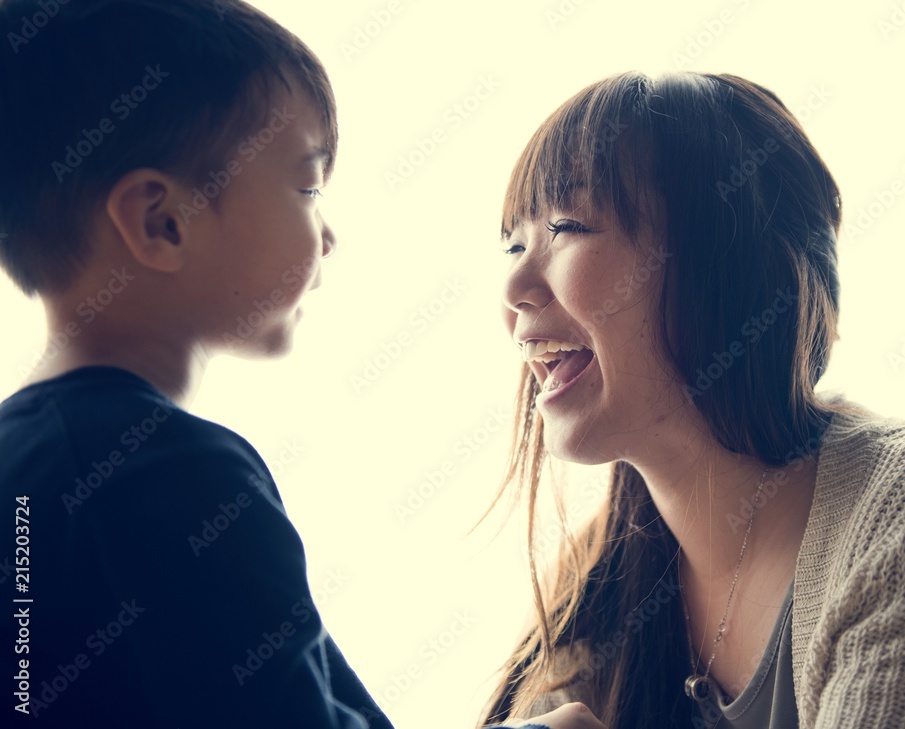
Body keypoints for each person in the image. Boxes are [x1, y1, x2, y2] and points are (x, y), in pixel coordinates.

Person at [0, 2, 604, 728]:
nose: (328, 236)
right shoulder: (174, 475)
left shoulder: (27, 461)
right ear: (163, 221)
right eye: (308, 187)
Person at [481, 70, 905, 729]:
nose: (516, 286)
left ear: (724, 266)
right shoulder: (596, 596)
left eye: (567, 225)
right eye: (513, 244)